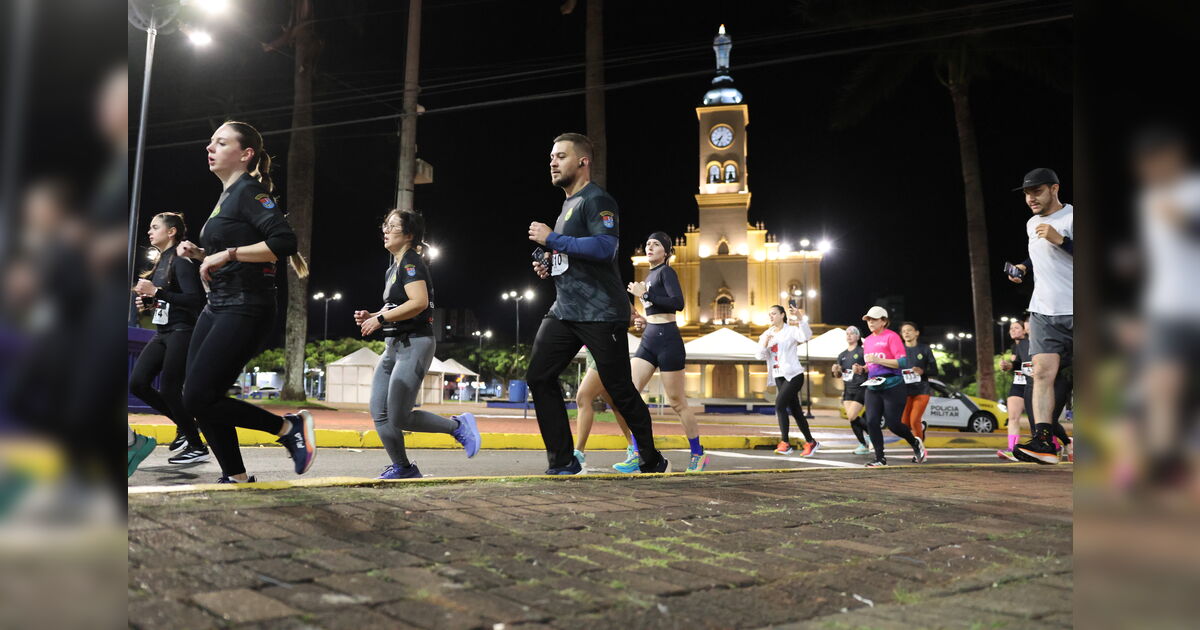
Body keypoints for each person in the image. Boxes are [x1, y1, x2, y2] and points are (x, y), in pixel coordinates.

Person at [176, 121, 314, 484]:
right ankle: (235, 477)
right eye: (210, 142)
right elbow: (235, 254)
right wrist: (203, 254)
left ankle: (288, 427)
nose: (210, 148)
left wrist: (227, 254)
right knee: (196, 395)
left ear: (245, 153)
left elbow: (284, 242)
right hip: (219, 304)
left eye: (221, 143)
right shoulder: (228, 194)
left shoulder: (250, 192)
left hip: (246, 306)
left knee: (197, 397)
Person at [526, 132, 670, 475]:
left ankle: (651, 458)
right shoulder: (566, 207)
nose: (553, 162)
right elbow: (575, 254)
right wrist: (552, 265)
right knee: (538, 376)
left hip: (602, 313)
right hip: (565, 309)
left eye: (561, 156)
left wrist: (553, 238)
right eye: (552, 157)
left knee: (619, 390)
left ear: (582, 161)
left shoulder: (598, 200)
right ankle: (563, 462)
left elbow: (606, 249)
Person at [354, 209, 480, 479]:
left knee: (399, 416)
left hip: (415, 344)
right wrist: (373, 316)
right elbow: (397, 304)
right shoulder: (393, 268)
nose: (385, 230)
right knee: (379, 411)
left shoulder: (411, 262)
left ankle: (457, 426)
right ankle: (403, 467)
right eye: (384, 225)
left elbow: (418, 303)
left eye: (392, 226)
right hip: (393, 346)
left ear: (409, 235)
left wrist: (381, 318)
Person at [623, 232, 708, 471]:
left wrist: (646, 295)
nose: (650, 247)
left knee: (677, 402)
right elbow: (657, 312)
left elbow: (678, 303)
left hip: (668, 340)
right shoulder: (649, 275)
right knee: (629, 394)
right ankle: (637, 453)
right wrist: (643, 319)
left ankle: (698, 454)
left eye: (656, 244)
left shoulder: (666, 272)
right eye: (648, 243)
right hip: (649, 338)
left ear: (666, 252)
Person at [1006, 168, 1073, 464]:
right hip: (1044, 311)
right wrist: (1023, 267)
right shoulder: (1032, 223)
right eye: (1026, 193)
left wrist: (1063, 241)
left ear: (1054, 189)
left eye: (1037, 191)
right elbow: (1037, 253)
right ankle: (1044, 442)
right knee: (1042, 374)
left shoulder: (1072, 217)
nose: (1030, 198)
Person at [130, 212, 208, 464]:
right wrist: (151, 302)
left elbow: (196, 300)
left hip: (182, 332)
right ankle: (187, 426)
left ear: (171, 231)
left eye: (155, 227)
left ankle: (196, 444)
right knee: (137, 384)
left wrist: (158, 291)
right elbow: (169, 298)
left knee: (170, 390)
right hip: (163, 332)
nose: (149, 232)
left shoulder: (181, 262)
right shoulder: (161, 262)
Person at [860, 306, 926, 467]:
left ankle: (915, 442)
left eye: (874, 319)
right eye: (868, 319)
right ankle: (879, 458)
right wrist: (861, 369)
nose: (870, 322)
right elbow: (870, 365)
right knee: (872, 421)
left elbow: (902, 363)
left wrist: (878, 360)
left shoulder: (892, 337)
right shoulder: (867, 340)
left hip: (893, 385)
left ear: (884, 321)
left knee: (894, 424)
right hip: (873, 385)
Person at [757, 304, 818, 456]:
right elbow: (759, 355)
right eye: (769, 314)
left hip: (794, 375)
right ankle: (811, 442)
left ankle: (785, 443)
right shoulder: (766, 334)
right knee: (796, 411)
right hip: (778, 376)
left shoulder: (791, 330)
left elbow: (806, 336)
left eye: (774, 313)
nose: (771, 316)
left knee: (779, 405)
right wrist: (765, 344)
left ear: (782, 315)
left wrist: (800, 318)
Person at [572, 348, 637, 473]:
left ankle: (578, 455)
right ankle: (636, 449)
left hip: (603, 349)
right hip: (591, 351)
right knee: (615, 402)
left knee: (583, 397)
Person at [832, 326, 872, 455]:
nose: (849, 335)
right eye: (847, 334)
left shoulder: (862, 351)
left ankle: (873, 435)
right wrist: (836, 371)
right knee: (852, 419)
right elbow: (838, 375)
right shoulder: (842, 355)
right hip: (848, 389)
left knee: (852, 415)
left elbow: (870, 367)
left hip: (861, 387)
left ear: (858, 336)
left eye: (852, 333)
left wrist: (861, 368)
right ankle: (863, 444)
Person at [998, 318, 1032, 460]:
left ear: (1024, 329)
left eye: (1016, 327)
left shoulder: (1032, 343)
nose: (1012, 330)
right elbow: (1018, 364)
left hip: (1033, 384)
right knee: (1012, 417)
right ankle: (1012, 449)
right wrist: (1008, 366)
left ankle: (1058, 444)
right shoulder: (1015, 346)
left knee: (1037, 419)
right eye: (1011, 328)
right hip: (1018, 383)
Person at [899, 321, 938, 442]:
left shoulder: (924, 349)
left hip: (922, 390)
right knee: (904, 423)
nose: (906, 333)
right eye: (904, 331)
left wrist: (922, 372)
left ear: (916, 333)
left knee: (914, 419)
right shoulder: (898, 350)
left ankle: (919, 449)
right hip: (904, 390)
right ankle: (921, 429)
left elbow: (935, 371)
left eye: (909, 330)